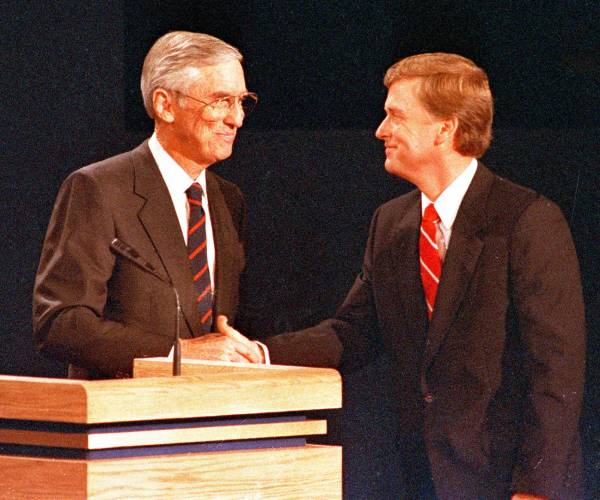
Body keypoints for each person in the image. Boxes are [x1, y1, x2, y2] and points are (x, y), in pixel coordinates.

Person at [264, 53, 586, 499]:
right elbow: (353, 331)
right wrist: (260, 354)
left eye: (395, 115)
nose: (380, 130)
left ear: (445, 128)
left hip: (503, 481)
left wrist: (536, 488)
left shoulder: (526, 220)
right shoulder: (390, 223)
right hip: (417, 477)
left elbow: (557, 370)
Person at [33, 31, 263, 379]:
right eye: (220, 101)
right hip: (127, 422)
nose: (237, 119)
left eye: (241, 101)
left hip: (216, 418)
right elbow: (60, 323)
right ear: (164, 105)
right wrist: (175, 354)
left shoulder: (229, 200)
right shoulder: (100, 189)